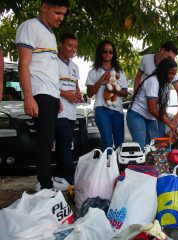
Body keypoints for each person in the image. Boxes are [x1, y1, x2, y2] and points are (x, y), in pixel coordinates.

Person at [16, 0, 70, 189]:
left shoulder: (51, 34)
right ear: (44, 7)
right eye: (57, 12)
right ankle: (44, 185)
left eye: (63, 14)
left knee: (49, 141)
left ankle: (46, 181)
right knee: (44, 141)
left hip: (51, 94)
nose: (60, 18)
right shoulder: (30, 26)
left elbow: (48, 68)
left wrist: (57, 96)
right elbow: (23, 63)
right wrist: (28, 96)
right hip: (39, 93)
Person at [133, 41, 178, 135]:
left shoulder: (171, 69)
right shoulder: (147, 60)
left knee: (157, 143)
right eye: (169, 57)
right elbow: (138, 77)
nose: (170, 61)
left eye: (172, 59)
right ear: (162, 50)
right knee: (145, 144)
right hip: (143, 110)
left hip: (158, 112)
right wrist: (135, 95)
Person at [86, 40, 128, 150]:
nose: (108, 54)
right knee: (107, 141)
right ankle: (107, 166)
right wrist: (102, 79)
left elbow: (125, 93)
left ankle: (119, 166)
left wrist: (114, 89)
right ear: (100, 52)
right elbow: (89, 93)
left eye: (111, 52)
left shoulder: (119, 71)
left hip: (117, 110)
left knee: (120, 143)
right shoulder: (93, 72)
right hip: (101, 110)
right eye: (105, 51)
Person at [127, 58, 178, 149]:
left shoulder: (165, 85)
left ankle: (150, 163)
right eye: (170, 73)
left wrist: (172, 125)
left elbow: (161, 108)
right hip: (136, 114)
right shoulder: (153, 81)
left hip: (150, 117)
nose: (172, 76)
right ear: (163, 71)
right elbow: (153, 109)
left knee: (154, 147)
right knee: (141, 147)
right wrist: (170, 123)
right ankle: (140, 163)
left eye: (174, 74)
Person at [55, 33, 81, 184]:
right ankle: (69, 178)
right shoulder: (52, 62)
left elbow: (75, 86)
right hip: (59, 109)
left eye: (75, 47)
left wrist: (78, 94)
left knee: (65, 143)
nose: (73, 49)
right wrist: (66, 95)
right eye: (69, 45)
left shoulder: (75, 67)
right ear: (61, 45)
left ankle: (60, 176)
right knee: (64, 141)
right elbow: (49, 85)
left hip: (71, 111)